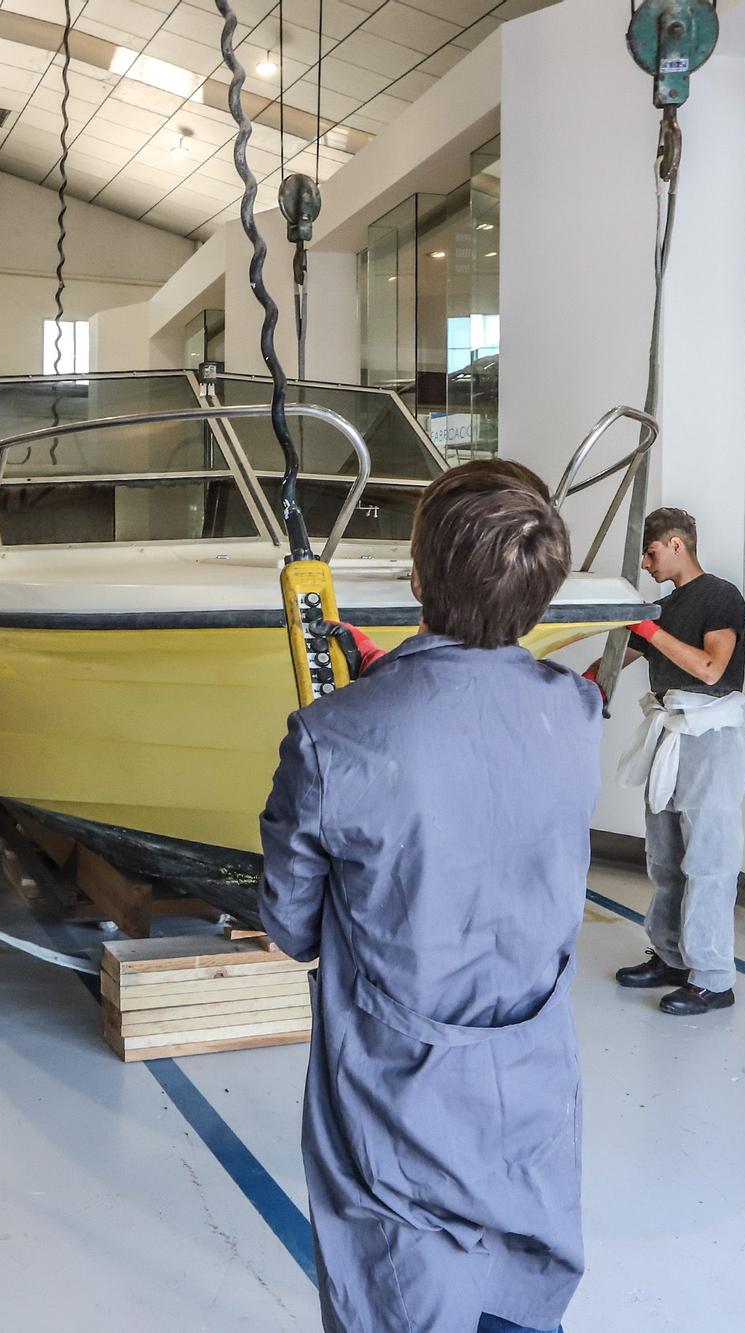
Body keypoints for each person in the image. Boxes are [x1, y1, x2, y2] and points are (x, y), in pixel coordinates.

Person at [261, 459, 600, 1333]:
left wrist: (373, 704)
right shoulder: (577, 712)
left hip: (398, 1104)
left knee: (402, 1297)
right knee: (521, 1303)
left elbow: (291, 924)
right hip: (529, 1082)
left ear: (416, 576)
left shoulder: (331, 736)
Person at [591, 507, 745, 1017]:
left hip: (711, 736)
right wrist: (568, 683)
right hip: (671, 733)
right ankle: (671, 958)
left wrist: (648, 626)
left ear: (677, 544)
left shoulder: (720, 596)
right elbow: (613, 662)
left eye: (651, 552)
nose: (646, 563)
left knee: (709, 862)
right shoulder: (663, 608)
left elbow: (711, 669)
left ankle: (711, 978)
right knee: (664, 858)